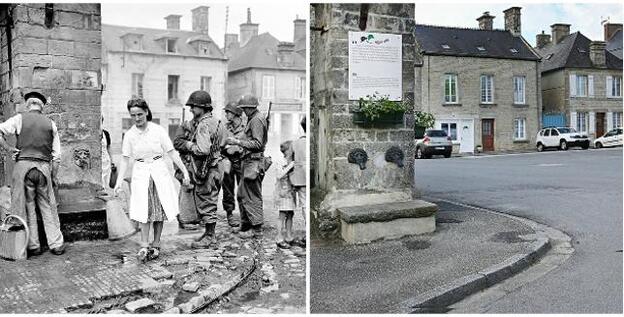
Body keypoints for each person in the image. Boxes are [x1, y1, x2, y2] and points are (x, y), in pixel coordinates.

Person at [113, 98, 190, 262]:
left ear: (146, 112)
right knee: (144, 211)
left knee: (158, 210)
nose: (137, 118)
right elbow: (125, 160)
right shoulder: (130, 135)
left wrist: (185, 171)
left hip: (158, 172)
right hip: (141, 174)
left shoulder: (158, 130)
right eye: (133, 115)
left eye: (140, 114)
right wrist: (119, 182)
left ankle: (156, 243)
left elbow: (171, 152)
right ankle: (144, 245)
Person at [0, 91, 65, 257]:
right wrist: (54, 176)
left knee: (27, 205)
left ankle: (33, 245)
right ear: (41, 107)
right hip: (43, 168)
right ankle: (56, 244)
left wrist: (8, 149)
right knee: (48, 206)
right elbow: (57, 156)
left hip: (23, 169)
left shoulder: (19, 119)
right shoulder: (51, 124)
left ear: (28, 105)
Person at [173, 90, 226, 248]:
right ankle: (209, 233)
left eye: (193, 107)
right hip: (216, 166)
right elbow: (222, 143)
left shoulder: (203, 124)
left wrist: (189, 145)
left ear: (202, 107)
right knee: (210, 199)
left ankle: (210, 236)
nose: (191, 110)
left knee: (207, 201)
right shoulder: (218, 122)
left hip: (207, 169)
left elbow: (203, 150)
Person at [225, 95, 269, 239]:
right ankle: (246, 225)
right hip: (249, 161)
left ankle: (256, 229)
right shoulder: (254, 118)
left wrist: (237, 142)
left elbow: (257, 144)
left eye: (244, 109)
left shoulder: (256, 120)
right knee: (242, 194)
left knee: (251, 196)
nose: (243, 112)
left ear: (250, 108)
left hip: (253, 162)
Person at [221, 102, 244, 228]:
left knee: (243, 189)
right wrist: (225, 154)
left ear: (235, 114)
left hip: (241, 162)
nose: (226, 114)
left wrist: (237, 148)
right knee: (228, 189)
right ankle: (230, 214)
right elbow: (219, 144)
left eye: (228, 112)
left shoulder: (246, 128)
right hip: (228, 161)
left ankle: (244, 215)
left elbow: (252, 144)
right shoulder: (224, 127)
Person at [274, 140, 295, 249]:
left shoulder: (292, 161)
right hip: (282, 192)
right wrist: (290, 166)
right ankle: (279, 237)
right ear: (287, 150)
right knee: (282, 214)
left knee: (291, 214)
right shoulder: (280, 161)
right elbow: (279, 175)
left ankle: (289, 236)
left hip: (290, 192)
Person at [290, 115, 306, 247]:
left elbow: (291, 160)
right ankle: (306, 232)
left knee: (304, 205)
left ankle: (307, 233)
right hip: (305, 177)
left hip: (300, 178)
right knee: (305, 205)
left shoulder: (296, 143)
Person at [101, 117, 113, 189]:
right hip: (98, 161)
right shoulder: (93, 134)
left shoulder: (106, 133)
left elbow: (109, 147)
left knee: (106, 180)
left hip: (106, 160)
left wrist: (112, 161)